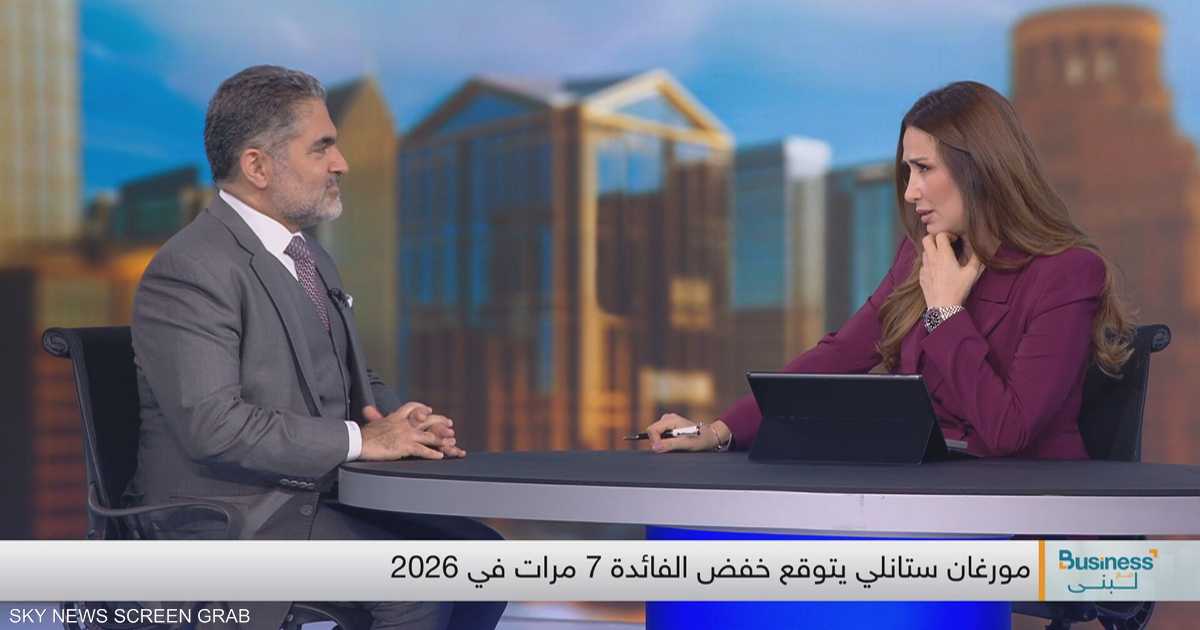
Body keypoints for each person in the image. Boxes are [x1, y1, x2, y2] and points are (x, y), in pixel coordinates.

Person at [127, 65, 504, 630]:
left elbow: (352, 376)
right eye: (321, 147)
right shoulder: (192, 268)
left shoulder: (309, 256)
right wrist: (363, 440)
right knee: (416, 586)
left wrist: (404, 423)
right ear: (257, 166)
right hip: (227, 522)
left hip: (308, 499)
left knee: (484, 561)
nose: (341, 163)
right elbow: (214, 427)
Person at [645, 81, 1134, 459]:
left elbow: (1009, 430)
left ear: (980, 170)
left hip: (1025, 517)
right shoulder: (918, 256)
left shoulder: (1069, 273)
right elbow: (840, 355)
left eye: (924, 169)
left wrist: (945, 314)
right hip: (922, 498)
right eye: (907, 172)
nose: (909, 191)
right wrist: (717, 431)